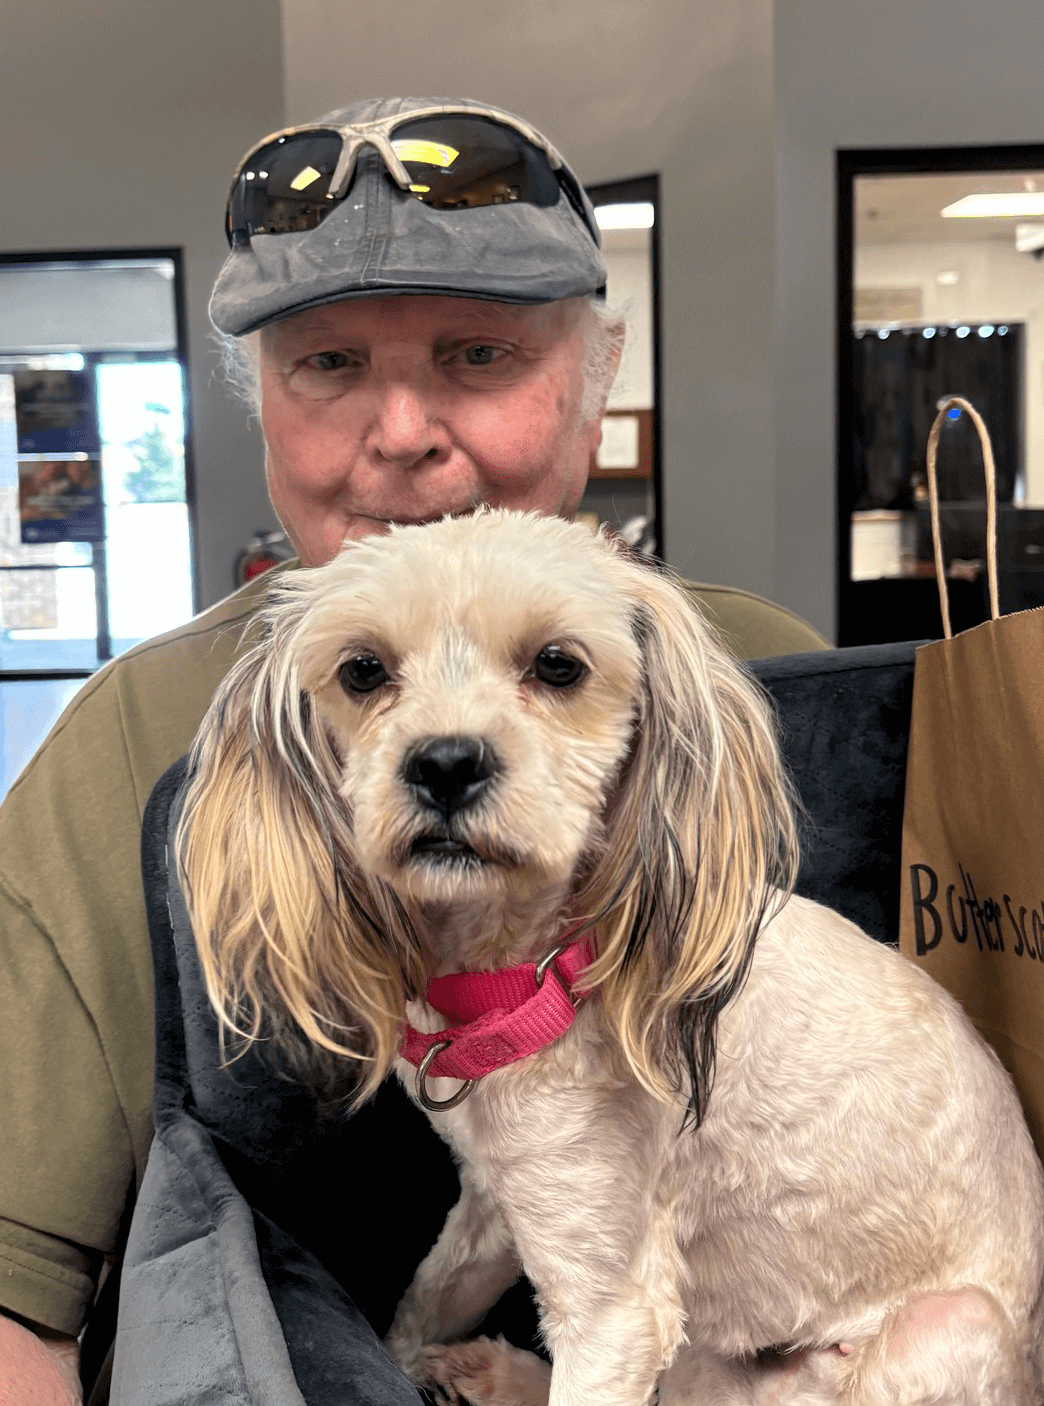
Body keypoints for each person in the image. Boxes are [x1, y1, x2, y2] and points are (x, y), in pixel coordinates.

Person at [0, 96, 829, 1406]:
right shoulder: (124, 753)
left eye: (478, 351)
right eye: (326, 363)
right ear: (262, 409)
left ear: (598, 380)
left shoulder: (774, 687)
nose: (399, 431)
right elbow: (15, 1305)